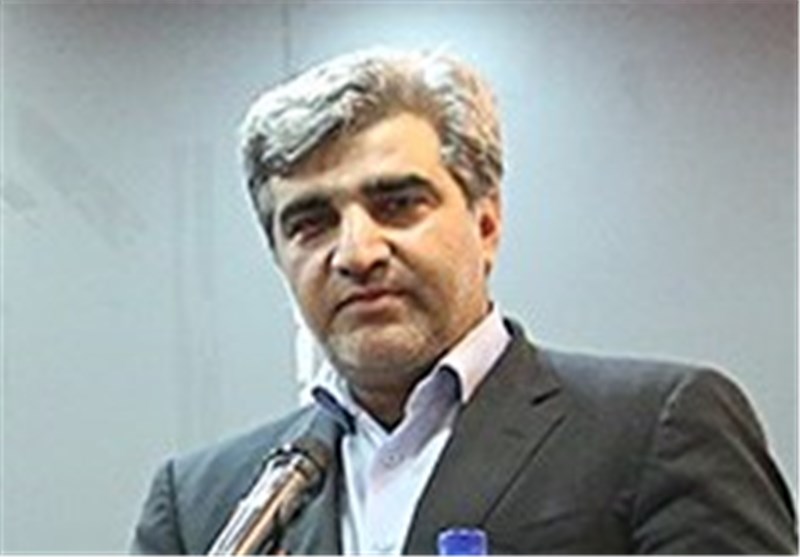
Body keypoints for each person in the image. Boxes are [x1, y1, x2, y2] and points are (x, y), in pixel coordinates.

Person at [130, 47, 796, 554]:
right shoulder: (203, 503)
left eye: (398, 203)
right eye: (311, 222)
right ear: (279, 257)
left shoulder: (655, 429)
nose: (357, 251)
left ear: (486, 222)